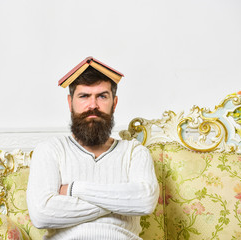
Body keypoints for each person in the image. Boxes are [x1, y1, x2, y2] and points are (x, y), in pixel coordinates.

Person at [27, 58, 159, 240]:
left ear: (114, 103)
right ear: (70, 102)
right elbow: (41, 214)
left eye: (102, 96)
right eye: (84, 96)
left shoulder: (134, 153)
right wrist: (123, 200)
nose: (93, 105)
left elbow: (145, 201)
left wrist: (74, 190)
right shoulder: (50, 150)